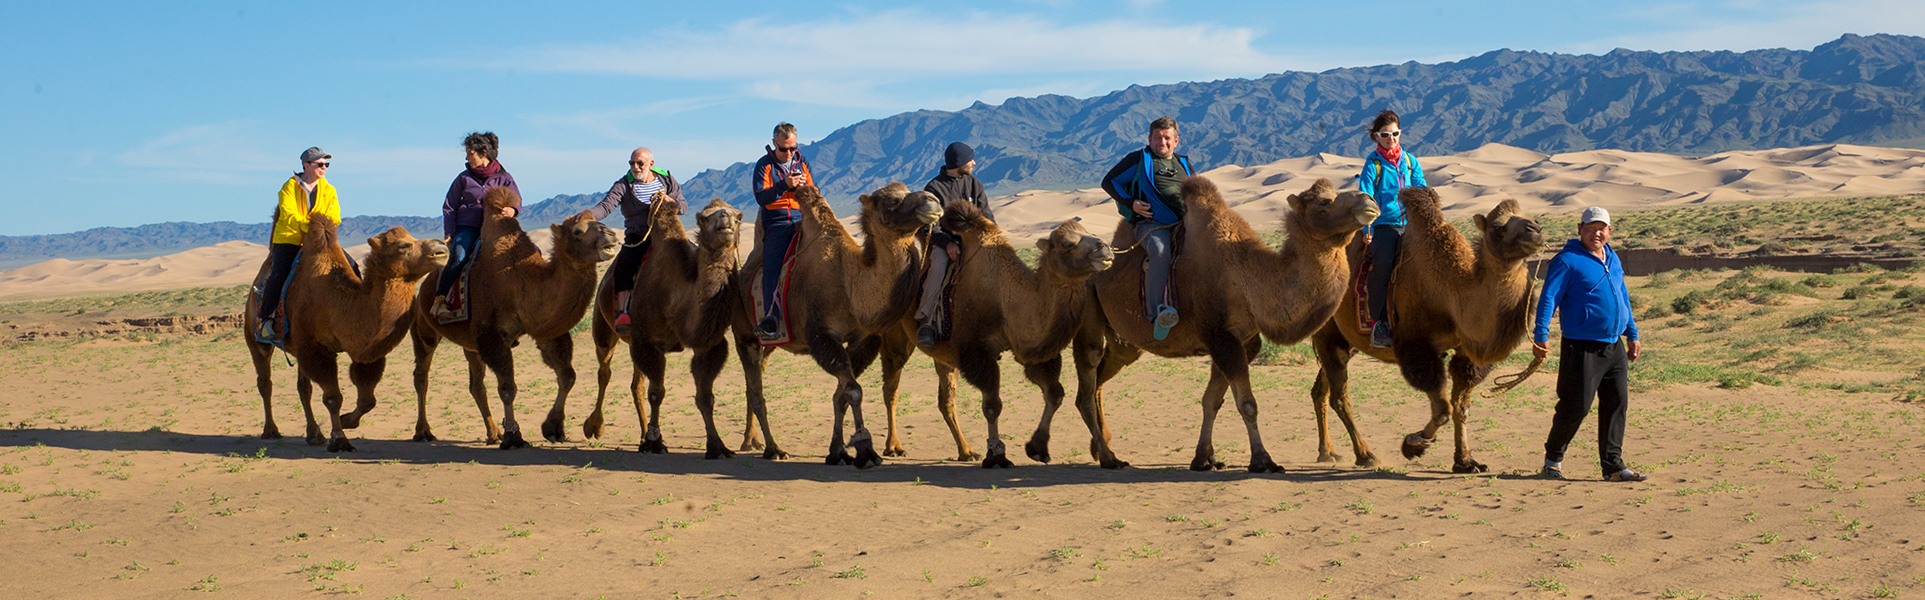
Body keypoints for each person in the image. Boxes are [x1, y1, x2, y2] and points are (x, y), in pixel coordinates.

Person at [1532, 206, 1646, 483]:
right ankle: (1552, 461)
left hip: (1614, 345)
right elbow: (1549, 297)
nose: (1597, 233)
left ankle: (1613, 467)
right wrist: (1540, 334)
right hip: (1581, 346)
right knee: (1576, 405)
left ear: (1609, 231)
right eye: (1591, 227)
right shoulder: (1567, 260)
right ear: (1579, 229)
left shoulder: (1613, 257)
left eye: (1602, 228)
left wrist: (1632, 332)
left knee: (1616, 403)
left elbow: (1622, 296)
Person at [1101, 116, 1192, 341]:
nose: (1163, 142)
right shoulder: (1139, 160)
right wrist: (1131, 202)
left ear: (1176, 140)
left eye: (1167, 137)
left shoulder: (1184, 163)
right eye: (1158, 137)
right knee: (1160, 252)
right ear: (1150, 139)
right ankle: (1156, 312)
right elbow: (1109, 181)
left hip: (1186, 224)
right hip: (1151, 224)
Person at [588, 147, 686, 334]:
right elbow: (606, 206)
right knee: (625, 264)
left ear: (651, 164)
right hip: (638, 236)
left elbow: (683, 206)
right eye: (632, 163)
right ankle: (622, 311)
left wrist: (670, 202)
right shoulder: (624, 185)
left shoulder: (667, 180)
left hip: (667, 234)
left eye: (640, 163)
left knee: (692, 258)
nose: (635, 166)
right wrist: (588, 215)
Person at [1359, 109, 1428, 349]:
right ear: (1376, 136)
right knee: (1383, 264)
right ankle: (1379, 325)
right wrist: (1366, 228)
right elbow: (1366, 197)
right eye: (1385, 134)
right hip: (1384, 226)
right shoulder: (1373, 165)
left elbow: (1421, 189)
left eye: (1395, 134)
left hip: (1410, 224)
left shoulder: (1410, 161)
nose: (1391, 139)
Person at [433, 132, 521, 320]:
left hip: (496, 228)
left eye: (469, 153)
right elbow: (449, 206)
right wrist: (449, 233)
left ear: (483, 152)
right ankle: (440, 300)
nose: (466, 157)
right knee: (459, 256)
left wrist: (512, 211)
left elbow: (517, 201)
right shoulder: (463, 178)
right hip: (468, 228)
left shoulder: (505, 178)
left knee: (523, 255)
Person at [256, 147, 340, 341]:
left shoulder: (329, 190)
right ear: (306, 165)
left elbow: (335, 215)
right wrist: (309, 227)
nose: (324, 167)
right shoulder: (289, 187)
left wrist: (323, 228)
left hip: (320, 240)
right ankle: (266, 321)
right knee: (278, 275)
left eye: (326, 164)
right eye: (320, 164)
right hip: (290, 238)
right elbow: (288, 214)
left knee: (350, 266)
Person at [915, 141, 994, 347]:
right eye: (970, 159)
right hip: (944, 243)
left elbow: (987, 217)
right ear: (959, 161)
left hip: (974, 243)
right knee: (939, 266)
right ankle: (926, 322)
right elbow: (930, 227)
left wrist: (992, 240)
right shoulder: (933, 188)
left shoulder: (974, 184)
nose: (974, 163)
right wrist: (948, 244)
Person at [750, 122, 814, 338]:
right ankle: (771, 319)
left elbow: (815, 189)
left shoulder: (802, 162)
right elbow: (761, 197)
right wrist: (784, 184)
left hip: (802, 219)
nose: (788, 153)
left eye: (792, 148)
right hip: (777, 224)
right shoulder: (764, 165)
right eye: (783, 149)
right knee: (772, 269)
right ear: (774, 144)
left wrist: (804, 189)